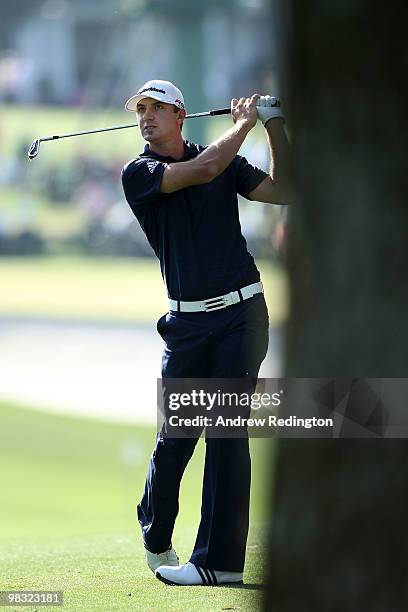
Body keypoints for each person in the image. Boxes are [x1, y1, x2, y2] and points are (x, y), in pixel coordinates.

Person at [121, 80, 292, 586]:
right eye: (141, 111)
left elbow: (283, 192)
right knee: (175, 438)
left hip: (242, 314)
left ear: (181, 114)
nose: (146, 117)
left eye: (157, 109)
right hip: (187, 326)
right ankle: (155, 530)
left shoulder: (219, 155)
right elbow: (204, 170)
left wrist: (274, 124)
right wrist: (243, 123)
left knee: (225, 431)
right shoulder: (141, 172)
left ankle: (217, 562)